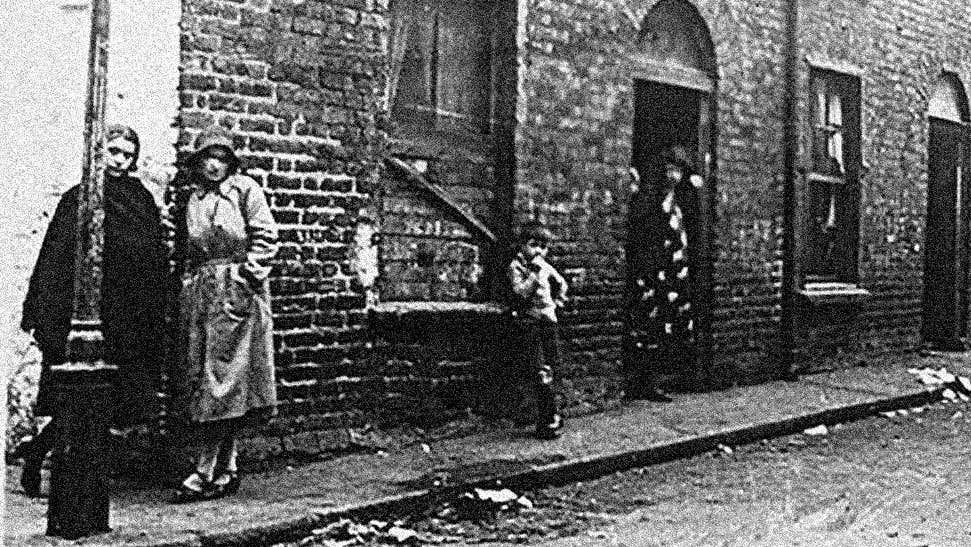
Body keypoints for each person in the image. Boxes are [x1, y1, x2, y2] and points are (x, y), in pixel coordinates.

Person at [17, 124, 168, 497]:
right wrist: (42, 309)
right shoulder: (79, 197)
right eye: (112, 151)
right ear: (97, 153)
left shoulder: (140, 199)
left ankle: (82, 471)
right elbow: (54, 256)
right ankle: (39, 454)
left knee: (111, 396)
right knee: (75, 394)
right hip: (83, 312)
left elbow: (152, 256)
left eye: (127, 155)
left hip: (126, 314)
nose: (119, 160)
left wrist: (154, 305)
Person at [171, 126, 278, 502]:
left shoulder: (246, 191)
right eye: (206, 158)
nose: (213, 165)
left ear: (230, 162)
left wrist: (245, 277)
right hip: (202, 294)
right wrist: (189, 281)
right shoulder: (194, 199)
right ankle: (227, 467)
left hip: (236, 292)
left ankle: (204, 469)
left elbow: (266, 238)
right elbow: (188, 246)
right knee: (206, 380)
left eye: (221, 158)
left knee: (227, 380)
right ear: (198, 163)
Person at [624, 146, 701, 402]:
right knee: (649, 325)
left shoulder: (678, 199)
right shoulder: (652, 197)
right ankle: (644, 383)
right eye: (669, 170)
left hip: (673, 269)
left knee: (669, 323)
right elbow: (645, 234)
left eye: (677, 171)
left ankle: (658, 378)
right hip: (653, 270)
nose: (673, 176)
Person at [508, 221, 569, 439]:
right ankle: (547, 418)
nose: (538, 251)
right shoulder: (517, 266)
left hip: (547, 322)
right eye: (534, 245)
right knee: (538, 370)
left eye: (543, 247)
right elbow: (520, 292)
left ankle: (552, 416)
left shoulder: (544, 265)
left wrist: (558, 303)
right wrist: (533, 274)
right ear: (522, 245)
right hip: (530, 324)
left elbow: (562, 283)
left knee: (551, 368)